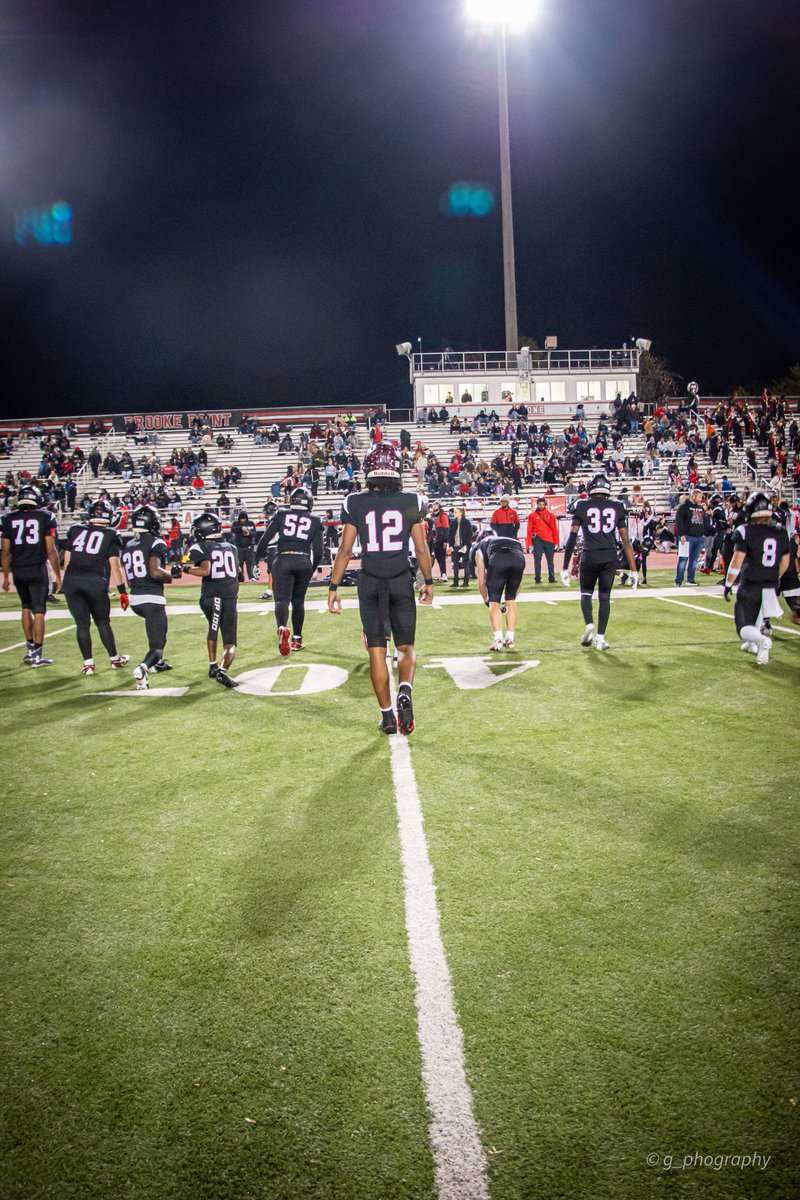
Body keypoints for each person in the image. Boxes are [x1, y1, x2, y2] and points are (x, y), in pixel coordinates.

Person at [327, 443, 433, 736]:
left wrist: (334, 586)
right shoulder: (412, 500)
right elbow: (421, 550)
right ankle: (405, 690)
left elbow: (345, 551)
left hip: (370, 580)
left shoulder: (354, 503)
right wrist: (428, 582)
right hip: (400, 578)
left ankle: (387, 716)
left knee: (377, 651)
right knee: (405, 647)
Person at [560, 473, 637, 650]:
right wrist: (633, 570)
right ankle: (600, 639)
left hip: (590, 554)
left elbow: (572, 538)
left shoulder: (581, 505)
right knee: (604, 598)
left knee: (586, 594)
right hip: (609, 556)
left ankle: (589, 626)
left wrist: (565, 567)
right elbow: (626, 541)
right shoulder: (617, 506)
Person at [61, 499, 130, 675]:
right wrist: (122, 592)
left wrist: (66, 582)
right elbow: (115, 566)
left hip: (72, 581)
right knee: (102, 622)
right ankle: (114, 659)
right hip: (95, 582)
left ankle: (88, 664)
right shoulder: (112, 534)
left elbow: (67, 561)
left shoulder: (76, 530)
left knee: (82, 624)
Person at [724, 491, 790, 666]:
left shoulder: (745, 531)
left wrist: (728, 583)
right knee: (759, 613)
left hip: (751, 583)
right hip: (771, 583)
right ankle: (754, 644)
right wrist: (772, 577)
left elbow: (737, 561)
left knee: (743, 626)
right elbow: (785, 562)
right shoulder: (780, 532)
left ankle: (760, 641)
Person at [1, 483, 62, 666]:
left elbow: (5, 552)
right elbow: (50, 550)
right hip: (37, 568)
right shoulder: (45, 517)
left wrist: (5, 576)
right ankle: (37, 654)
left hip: (18, 569)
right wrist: (58, 576)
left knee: (25, 606)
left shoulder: (8, 519)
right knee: (39, 609)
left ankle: (29, 650)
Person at [257, 487, 323, 655]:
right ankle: (297, 639)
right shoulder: (315, 520)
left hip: (283, 558)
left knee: (282, 600)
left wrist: (255, 561)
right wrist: (312, 568)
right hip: (303, 559)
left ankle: (282, 627)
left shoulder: (281, 514)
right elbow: (320, 551)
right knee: (298, 601)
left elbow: (264, 540)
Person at [120, 505, 179, 689]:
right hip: (151, 598)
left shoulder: (129, 545)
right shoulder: (156, 542)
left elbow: (130, 578)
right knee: (158, 644)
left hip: (134, 598)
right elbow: (155, 571)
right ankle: (143, 668)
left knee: (154, 628)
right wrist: (172, 575)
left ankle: (157, 663)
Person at [184, 510, 240, 688]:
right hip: (229, 596)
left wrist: (184, 570)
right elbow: (237, 574)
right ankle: (222, 670)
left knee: (213, 628)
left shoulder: (199, 547)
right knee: (230, 640)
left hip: (212, 595)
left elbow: (204, 570)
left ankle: (213, 664)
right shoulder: (232, 548)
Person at [472, 529, 525, 650]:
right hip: (519, 557)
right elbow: (519, 584)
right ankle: (510, 638)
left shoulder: (479, 547)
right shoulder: (508, 540)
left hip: (498, 558)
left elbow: (481, 580)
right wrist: (510, 598)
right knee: (511, 600)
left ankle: (498, 639)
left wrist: (486, 599)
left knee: (494, 600)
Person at [674, 488, 708, 585]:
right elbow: (679, 522)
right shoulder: (683, 507)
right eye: (699, 497)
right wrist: (682, 535)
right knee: (683, 559)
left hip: (699, 538)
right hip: (687, 537)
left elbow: (704, 521)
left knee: (694, 560)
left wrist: (704, 533)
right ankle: (679, 581)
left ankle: (690, 580)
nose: (701, 499)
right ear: (693, 496)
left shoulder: (701, 508)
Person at [526, 496, 559, 584]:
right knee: (537, 560)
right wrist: (529, 543)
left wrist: (556, 541)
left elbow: (554, 529)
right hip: (537, 540)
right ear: (537, 504)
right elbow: (529, 530)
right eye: (540, 504)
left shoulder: (551, 514)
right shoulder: (532, 515)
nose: (541, 506)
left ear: (545, 504)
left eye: (543, 504)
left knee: (550, 561)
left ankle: (551, 578)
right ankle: (537, 579)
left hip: (549, 540)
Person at [448, 504, 474, 587]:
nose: (454, 513)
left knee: (466, 564)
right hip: (455, 546)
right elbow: (450, 535)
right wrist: (451, 545)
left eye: (456, 512)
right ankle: (455, 582)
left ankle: (465, 582)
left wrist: (466, 545)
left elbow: (469, 535)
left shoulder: (466, 522)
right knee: (455, 565)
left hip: (464, 546)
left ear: (461, 513)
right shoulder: (453, 522)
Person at [230, 510, 258, 582]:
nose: (243, 520)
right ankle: (240, 578)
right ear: (239, 518)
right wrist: (241, 528)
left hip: (249, 546)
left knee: (250, 562)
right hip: (239, 546)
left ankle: (251, 576)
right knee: (240, 562)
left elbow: (254, 533)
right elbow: (232, 530)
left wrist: (249, 533)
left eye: (244, 518)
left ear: (246, 518)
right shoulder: (235, 523)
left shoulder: (251, 523)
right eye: (241, 518)